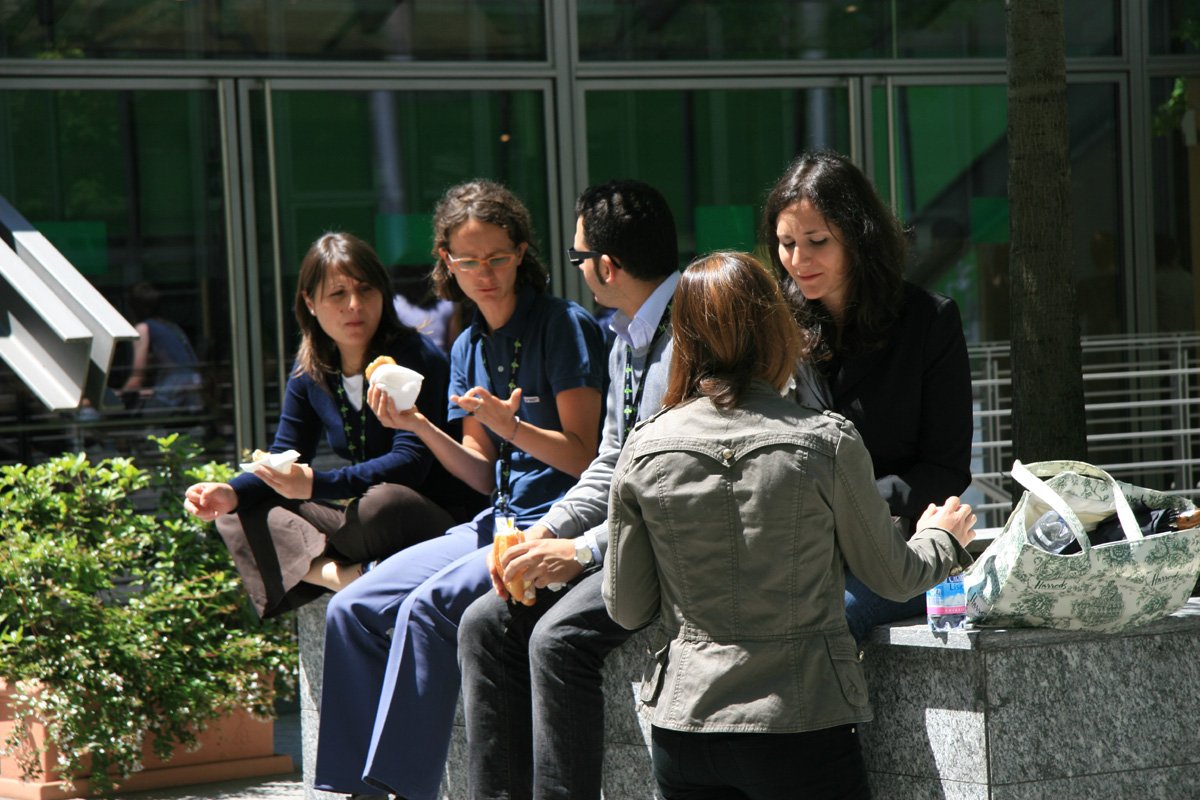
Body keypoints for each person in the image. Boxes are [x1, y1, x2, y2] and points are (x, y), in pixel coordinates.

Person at [602, 251, 977, 800]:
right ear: (775, 329)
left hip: (684, 729)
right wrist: (942, 536)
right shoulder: (825, 441)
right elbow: (894, 577)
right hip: (800, 723)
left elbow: (627, 607)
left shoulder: (644, 447)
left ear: (684, 338)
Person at [313, 180, 606, 800]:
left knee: (426, 610)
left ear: (521, 252)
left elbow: (586, 457)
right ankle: (352, 789)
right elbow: (478, 469)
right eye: (468, 261)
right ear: (447, 262)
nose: (484, 274)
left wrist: (513, 427)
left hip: (558, 522)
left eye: (497, 257)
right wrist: (418, 425)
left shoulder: (564, 325)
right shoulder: (468, 342)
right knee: (351, 609)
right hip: (495, 519)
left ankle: (401, 789)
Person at [457, 179, 679, 800]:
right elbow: (610, 466)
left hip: (678, 549)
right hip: (627, 541)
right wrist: (546, 532)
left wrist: (581, 551)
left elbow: (677, 494)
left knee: (557, 641)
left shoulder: (693, 332)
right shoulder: (626, 338)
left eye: (579, 257)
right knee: (484, 623)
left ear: (606, 266)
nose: (576, 269)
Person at [183, 232, 479, 619]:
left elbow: (411, 462)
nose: (354, 305)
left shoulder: (412, 358)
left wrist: (315, 484)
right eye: (338, 294)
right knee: (237, 508)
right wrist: (229, 490)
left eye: (365, 289)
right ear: (310, 302)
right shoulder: (310, 370)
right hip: (362, 529)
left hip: (431, 523)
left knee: (384, 502)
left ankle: (326, 564)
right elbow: (285, 453)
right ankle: (340, 576)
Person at [762, 151, 974, 643]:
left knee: (823, 623)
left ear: (859, 237)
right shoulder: (776, 326)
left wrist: (846, 505)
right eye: (787, 244)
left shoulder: (929, 321)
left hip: (894, 549)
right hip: (793, 546)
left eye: (816, 241)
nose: (798, 260)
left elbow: (946, 469)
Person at [122, 281, 203, 411]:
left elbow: (137, 378)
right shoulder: (171, 326)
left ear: (132, 307)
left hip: (176, 391)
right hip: (195, 389)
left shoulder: (143, 327)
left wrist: (117, 397)